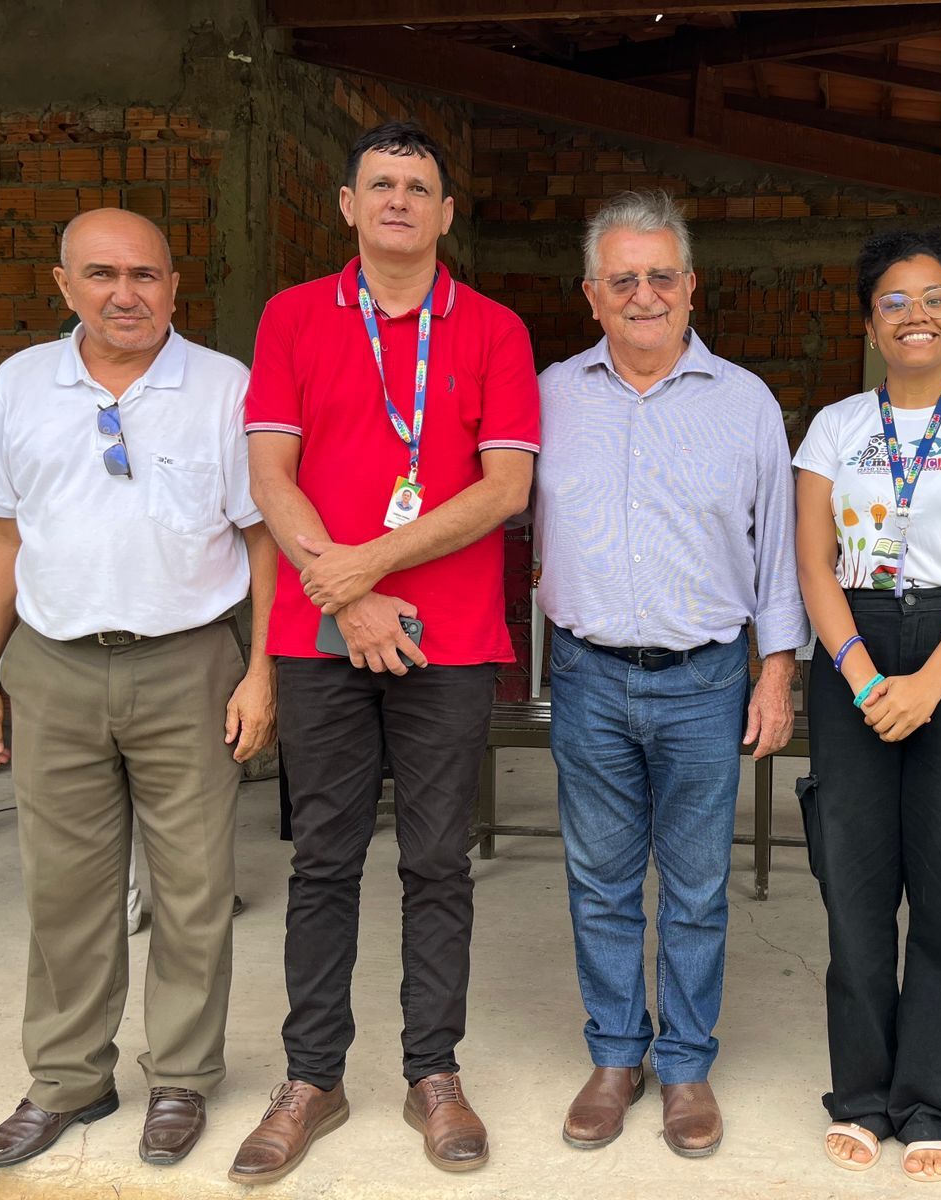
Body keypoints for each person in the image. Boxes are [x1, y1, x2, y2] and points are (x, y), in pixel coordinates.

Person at [231, 120, 539, 1184]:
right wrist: (348, 593)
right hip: (320, 638)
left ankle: (432, 1074)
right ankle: (311, 1078)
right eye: (380, 184)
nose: (399, 200)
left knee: (437, 860)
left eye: (418, 186)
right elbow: (271, 475)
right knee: (322, 859)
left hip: (448, 642)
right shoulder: (292, 316)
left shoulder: (493, 327)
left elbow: (506, 488)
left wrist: (365, 567)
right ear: (349, 206)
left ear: (446, 212)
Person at [0, 207, 278, 1170]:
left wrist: (261, 672)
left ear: (174, 287)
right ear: (65, 286)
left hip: (189, 665)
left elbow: (263, 536)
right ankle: (68, 1080)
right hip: (53, 666)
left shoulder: (224, 386)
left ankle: (181, 1077)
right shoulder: (20, 385)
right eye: (101, 274)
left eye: (145, 275)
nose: (125, 293)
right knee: (65, 890)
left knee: (193, 889)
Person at [534, 190, 808, 1158]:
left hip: (705, 680)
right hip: (588, 675)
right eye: (622, 280)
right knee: (600, 881)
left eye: (660, 276)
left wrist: (777, 672)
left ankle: (686, 1064)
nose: (642, 294)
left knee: (695, 887)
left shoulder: (744, 403)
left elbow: (778, 549)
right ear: (591, 295)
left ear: (691, 286)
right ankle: (617, 1056)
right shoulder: (549, 395)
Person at [791, 228, 941, 1183]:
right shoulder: (835, 426)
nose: (916, 315)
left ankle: (936, 1100)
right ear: (870, 325)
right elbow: (814, 564)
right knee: (852, 882)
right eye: (894, 301)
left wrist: (929, 684)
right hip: (852, 643)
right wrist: (861, 678)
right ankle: (860, 1094)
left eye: (935, 298)